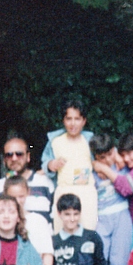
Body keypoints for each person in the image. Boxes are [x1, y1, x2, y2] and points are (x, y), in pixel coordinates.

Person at [89, 133, 133, 265]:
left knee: (119, 258)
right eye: (101, 158)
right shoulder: (90, 170)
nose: (107, 160)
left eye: (109, 154)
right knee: (101, 257)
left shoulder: (121, 163)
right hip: (101, 218)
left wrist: (111, 163)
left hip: (122, 214)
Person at [41, 99, 98, 231]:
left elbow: (106, 157)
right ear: (63, 120)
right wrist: (51, 165)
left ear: (84, 121)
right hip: (64, 193)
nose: (73, 123)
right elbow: (45, 161)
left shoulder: (90, 140)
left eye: (77, 119)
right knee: (62, 234)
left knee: (87, 234)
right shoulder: (55, 141)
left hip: (86, 194)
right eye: (69, 119)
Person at [0, 135, 55, 223]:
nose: (14, 158)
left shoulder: (45, 183)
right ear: (4, 160)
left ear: (28, 157)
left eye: (19, 154)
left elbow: (57, 217)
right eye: (9, 155)